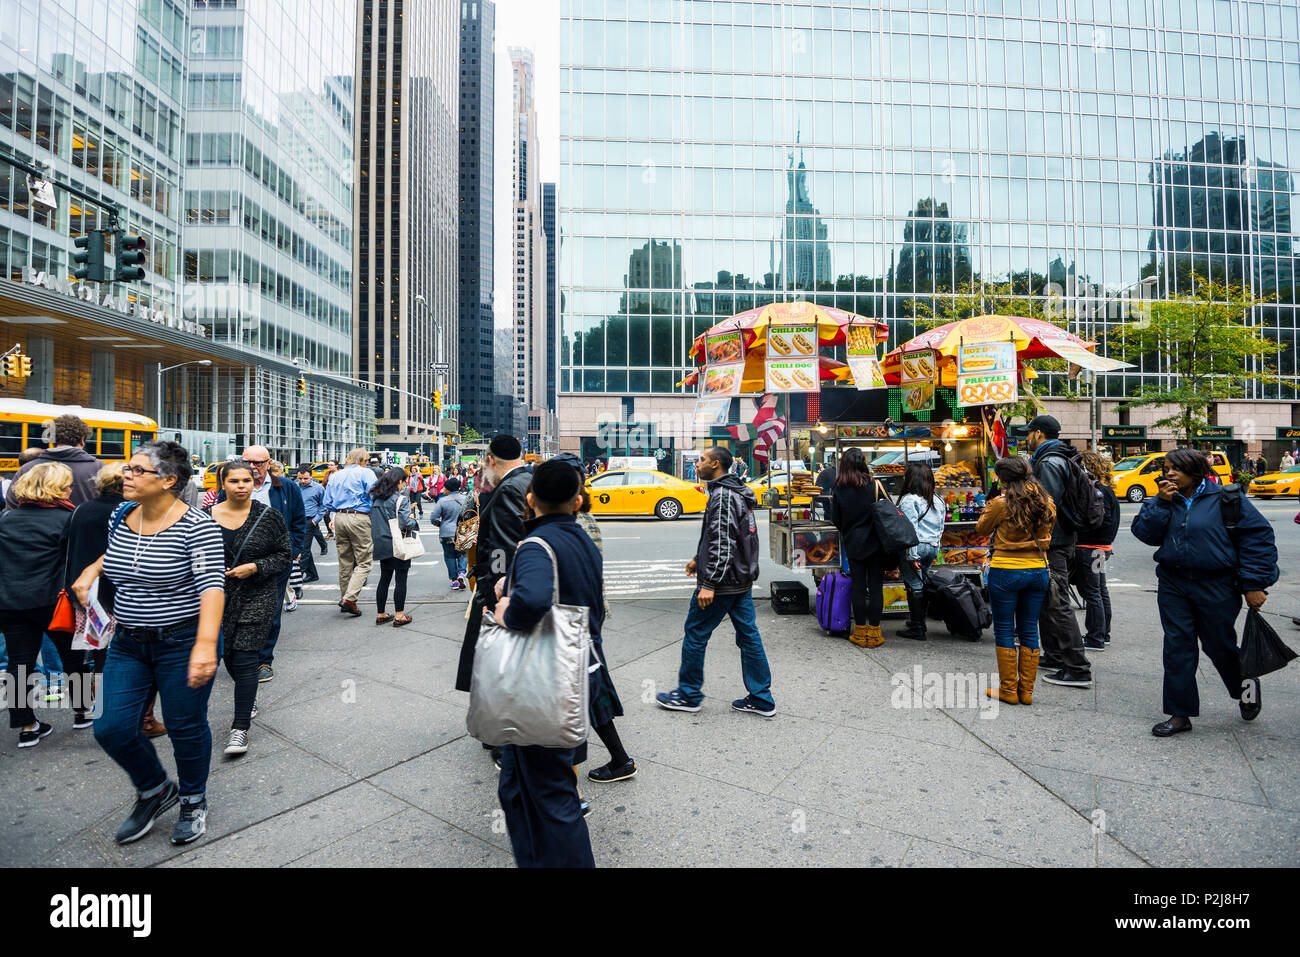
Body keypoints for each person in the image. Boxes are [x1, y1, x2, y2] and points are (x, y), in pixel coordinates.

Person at [72, 441, 225, 846]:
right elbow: (119, 554)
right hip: (127, 642)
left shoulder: (197, 527)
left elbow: (212, 586)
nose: (127, 475)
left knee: (185, 726)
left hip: (182, 641)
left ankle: (192, 800)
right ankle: (155, 789)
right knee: (110, 728)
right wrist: (92, 570)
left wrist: (205, 645)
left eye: (138, 470)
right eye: (128, 468)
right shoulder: (121, 514)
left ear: (168, 480)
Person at [491, 460, 601, 868]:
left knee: (553, 795)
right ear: (577, 501)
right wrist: (512, 583)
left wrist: (506, 609)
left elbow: (535, 599)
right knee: (516, 787)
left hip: (545, 684)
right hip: (576, 672)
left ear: (530, 498)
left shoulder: (536, 544)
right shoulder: (581, 537)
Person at [1131, 448, 1278, 737]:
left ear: (1195, 471)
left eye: (1176, 468)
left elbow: (1258, 539)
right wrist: (1160, 503)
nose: (1169, 473)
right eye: (1166, 468)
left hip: (1217, 585)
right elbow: (1145, 534)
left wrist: (1254, 583)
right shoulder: (1165, 499)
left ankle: (1246, 687)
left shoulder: (1227, 498)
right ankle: (1179, 714)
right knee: (1177, 647)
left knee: (1218, 645)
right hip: (1174, 584)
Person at [656, 446, 773, 716]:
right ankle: (762, 698)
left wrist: (709, 583)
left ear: (716, 463)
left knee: (696, 633)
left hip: (724, 582)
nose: (697, 465)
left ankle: (688, 695)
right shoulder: (737, 491)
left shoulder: (722, 495)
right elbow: (725, 536)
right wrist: (698, 559)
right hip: (740, 579)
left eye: (702, 460)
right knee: (749, 637)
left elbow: (723, 542)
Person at [554, 454, 634, 784]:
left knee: (584, 688)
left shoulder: (576, 523)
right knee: (587, 686)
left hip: (578, 620)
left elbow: (577, 577)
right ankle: (619, 759)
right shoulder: (578, 517)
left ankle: (614, 762)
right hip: (584, 618)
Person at [205, 460, 291, 757]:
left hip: (257, 596)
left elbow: (284, 555)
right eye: (234, 481)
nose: (241, 486)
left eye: (246, 480)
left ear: (255, 483)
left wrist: (255, 567)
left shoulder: (269, 516)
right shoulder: (205, 517)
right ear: (223, 484)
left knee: (244, 656)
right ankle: (249, 692)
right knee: (228, 654)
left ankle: (239, 728)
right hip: (217, 598)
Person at [0, 463, 83, 745]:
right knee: (73, 657)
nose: (70, 489)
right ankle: (83, 710)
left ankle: (26, 725)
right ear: (57, 489)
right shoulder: (68, 519)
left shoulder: (5, 518)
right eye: (67, 485)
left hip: (11, 601)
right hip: (54, 602)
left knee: (19, 662)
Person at [216, 446, 305, 683]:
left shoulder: (286, 487)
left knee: (270, 612)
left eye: (258, 463)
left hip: (274, 562)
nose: (252, 467)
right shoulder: (229, 488)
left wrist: (294, 550)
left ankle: (263, 660)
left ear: (268, 463)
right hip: (235, 563)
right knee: (231, 609)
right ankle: (237, 656)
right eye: (247, 462)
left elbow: (298, 521)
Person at [456, 435, 532, 696]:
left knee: (492, 668)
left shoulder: (508, 488)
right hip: (524, 581)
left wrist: (493, 594)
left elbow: (502, 548)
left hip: (501, 587)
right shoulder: (529, 480)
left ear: (490, 460)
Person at [976, 457, 1055, 705]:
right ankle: (1027, 691)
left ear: (1003, 480)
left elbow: (981, 529)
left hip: (1006, 570)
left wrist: (991, 503)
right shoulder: (1046, 502)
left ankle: (1009, 689)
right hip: (1038, 569)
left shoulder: (1001, 504)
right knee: (1030, 628)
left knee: (1004, 628)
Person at [1023, 415, 1092, 688]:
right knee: (1046, 599)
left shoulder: (1050, 462)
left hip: (1053, 542)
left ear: (1038, 433)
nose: (1026, 438)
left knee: (1057, 601)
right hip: (1056, 540)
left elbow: (1045, 506)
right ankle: (1054, 655)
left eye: (1028, 433)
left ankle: (1077, 667)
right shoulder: (1055, 457)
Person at [829, 447, 890, 648]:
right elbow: (888, 512)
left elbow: (836, 519)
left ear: (844, 465)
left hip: (854, 544)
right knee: (876, 587)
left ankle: (860, 632)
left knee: (858, 587)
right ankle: (875, 634)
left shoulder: (838, 488)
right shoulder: (875, 485)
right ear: (863, 463)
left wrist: (849, 529)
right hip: (877, 543)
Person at [4, 414, 104, 509]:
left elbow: (12, 505)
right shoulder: (100, 468)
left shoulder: (28, 468)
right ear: (82, 440)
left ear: (52, 439)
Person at [322, 447, 377, 618]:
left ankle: (345, 598)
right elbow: (375, 495)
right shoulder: (366, 473)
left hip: (339, 516)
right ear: (363, 460)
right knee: (364, 561)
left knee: (345, 561)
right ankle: (349, 598)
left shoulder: (336, 475)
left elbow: (327, 502)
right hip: (359, 516)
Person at [1074, 450, 1120, 652]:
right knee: (1100, 590)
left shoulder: (1095, 490)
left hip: (1091, 547)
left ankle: (1096, 637)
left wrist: (1080, 529)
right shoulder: (1106, 489)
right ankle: (1103, 633)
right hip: (1101, 548)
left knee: (1093, 591)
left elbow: (1103, 521)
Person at [895, 462, 946, 640]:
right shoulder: (937, 499)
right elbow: (941, 527)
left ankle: (917, 627)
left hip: (917, 546)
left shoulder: (910, 499)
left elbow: (911, 531)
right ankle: (918, 622)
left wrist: (912, 556)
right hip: (932, 546)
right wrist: (936, 547)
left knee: (914, 585)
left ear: (910, 479)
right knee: (921, 583)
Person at [369, 467, 419, 626]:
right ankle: (399, 615)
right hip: (398, 543)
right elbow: (405, 523)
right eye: (404, 482)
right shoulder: (400, 499)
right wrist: (413, 520)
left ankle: (381, 613)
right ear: (399, 481)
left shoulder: (376, 499)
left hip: (381, 542)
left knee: (384, 578)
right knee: (401, 578)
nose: (404, 485)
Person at [430, 476, 469, 589]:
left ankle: (454, 580)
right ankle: (461, 572)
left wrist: (441, 524)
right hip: (462, 531)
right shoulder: (466, 499)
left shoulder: (442, 501)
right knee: (462, 553)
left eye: (444, 487)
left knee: (449, 556)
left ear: (448, 489)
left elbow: (433, 518)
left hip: (447, 532)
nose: (443, 489)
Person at [296, 466, 328, 556]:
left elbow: (323, 505)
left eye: (305, 478)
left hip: (310, 518)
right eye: (300, 478)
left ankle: (323, 546)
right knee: (316, 533)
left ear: (311, 476)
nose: (302, 481)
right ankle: (324, 545)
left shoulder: (318, 488)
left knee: (305, 546)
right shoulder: (294, 486)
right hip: (297, 519)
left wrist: (315, 520)